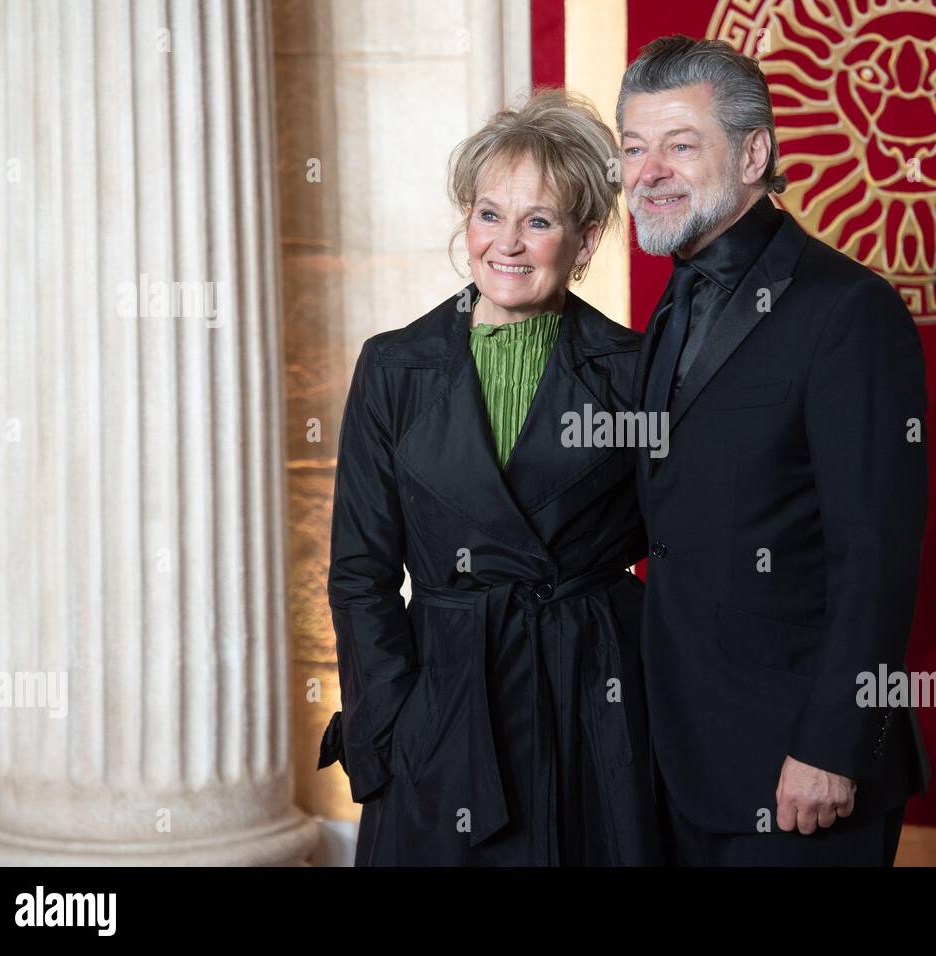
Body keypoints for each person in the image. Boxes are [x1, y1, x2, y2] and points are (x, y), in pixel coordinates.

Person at [317, 89, 662, 866]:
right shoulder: (394, 368)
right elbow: (361, 575)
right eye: (488, 214)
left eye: (538, 221)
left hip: (591, 700)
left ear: (585, 240)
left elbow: (682, 552)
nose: (507, 243)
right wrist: (395, 724)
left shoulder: (636, 372)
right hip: (444, 704)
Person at [618, 35, 931, 866]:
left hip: (805, 764)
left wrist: (832, 744)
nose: (650, 170)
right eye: (634, 147)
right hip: (677, 752)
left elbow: (876, 553)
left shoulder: (848, 311)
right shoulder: (671, 303)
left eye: (681, 145)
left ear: (754, 153)